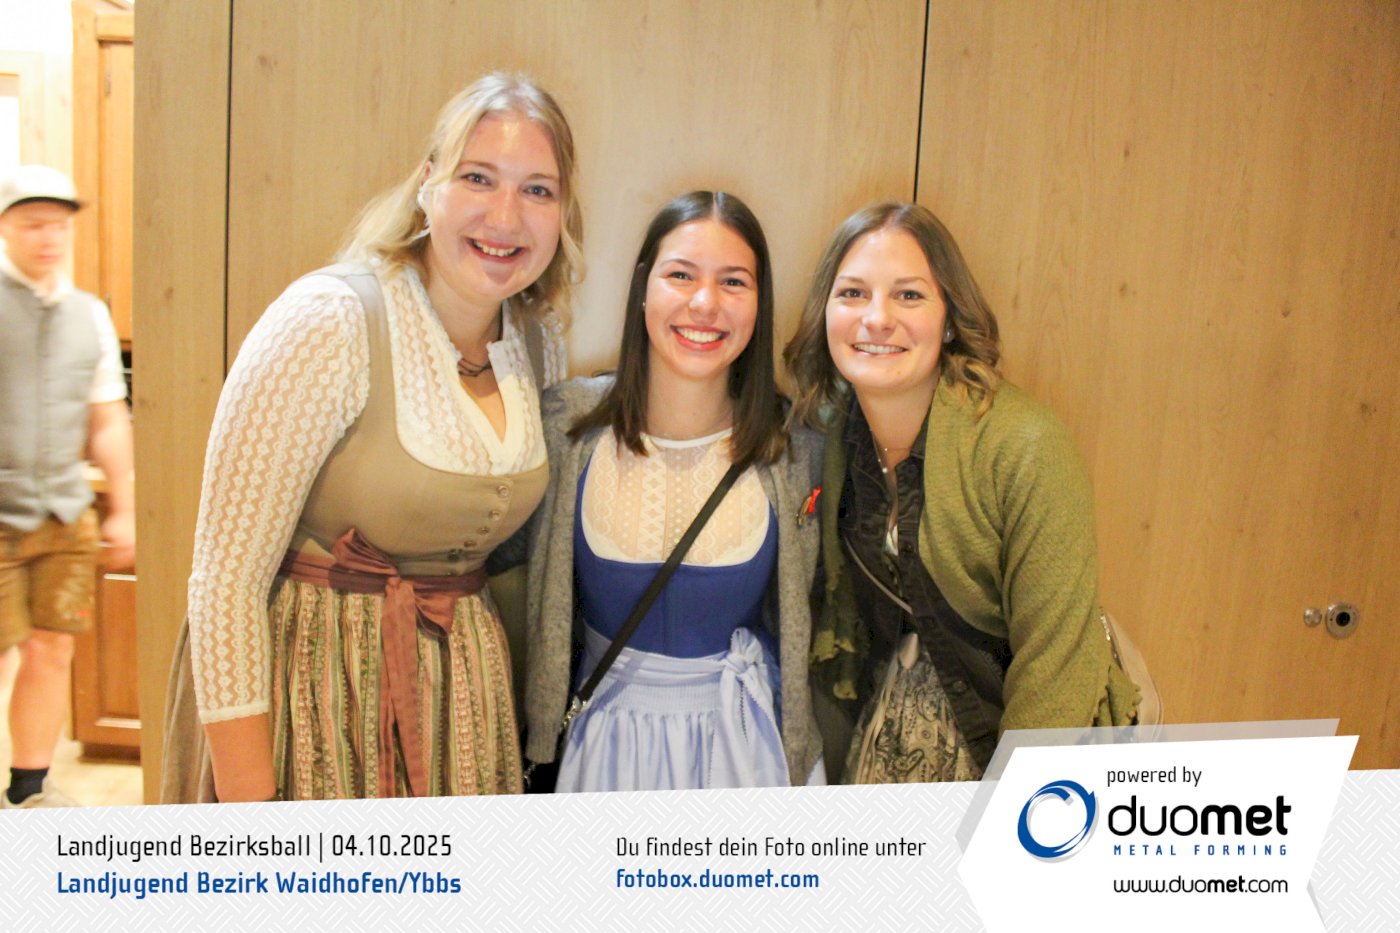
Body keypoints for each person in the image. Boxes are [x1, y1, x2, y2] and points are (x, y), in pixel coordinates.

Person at [161, 73, 583, 802]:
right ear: (428, 184)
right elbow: (225, 582)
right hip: (315, 691)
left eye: (537, 190)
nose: (505, 215)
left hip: (463, 703)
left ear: (563, 212)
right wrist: (248, 805)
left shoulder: (537, 345)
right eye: (478, 177)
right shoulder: (328, 322)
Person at [783, 202, 1138, 783]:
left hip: (1005, 747)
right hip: (882, 734)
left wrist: (1014, 814)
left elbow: (1057, 667)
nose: (876, 318)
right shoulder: (828, 433)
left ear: (949, 318)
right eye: (852, 293)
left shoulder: (1024, 446)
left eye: (909, 295)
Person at [522, 190, 824, 792]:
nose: (705, 303)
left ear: (759, 303)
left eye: (733, 282)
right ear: (643, 287)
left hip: (744, 751)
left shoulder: (795, 447)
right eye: (681, 275)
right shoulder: (567, 427)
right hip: (601, 749)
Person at [1, 165, 135, 808]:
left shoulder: (89, 315)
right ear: (6, 228)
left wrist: (124, 507)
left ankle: (29, 786)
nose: (48, 237)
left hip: (65, 515)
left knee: (52, 649)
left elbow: (106, 416)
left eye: (58, 225)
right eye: (33, 224)